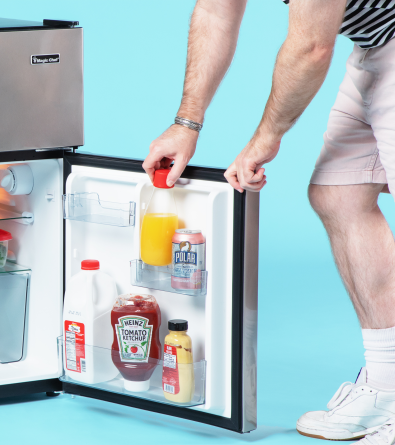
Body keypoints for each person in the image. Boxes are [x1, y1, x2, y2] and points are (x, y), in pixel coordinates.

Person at [143, 0, 395, 442]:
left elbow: (312, 47)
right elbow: (216, 12)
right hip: (375, 47)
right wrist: (186, 123)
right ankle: (388, 386)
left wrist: (266, 137)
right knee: (339, 195)